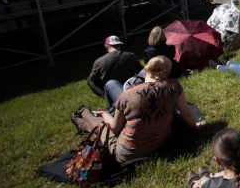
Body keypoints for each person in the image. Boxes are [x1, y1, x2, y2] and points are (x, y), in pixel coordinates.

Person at [74, 56, 202, 163]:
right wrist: (197, 128)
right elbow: (187, 114)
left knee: (102, 126)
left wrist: (104, 113)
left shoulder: (127, 95)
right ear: (167, 73)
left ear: (145, 72)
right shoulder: (173, 87)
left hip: (127, 154)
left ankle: (84, 112)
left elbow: (114, 128)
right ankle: (81, 120)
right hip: (160, 144)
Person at [87, 35, 144, 108]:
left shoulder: (99, 62)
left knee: (96, 81)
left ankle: (109, 101)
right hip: (134, 88)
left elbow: (91, 80)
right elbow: (140, 71)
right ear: (120, 45)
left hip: (119, 96)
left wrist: (103, 93)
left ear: (106, 47)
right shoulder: (130, 55)